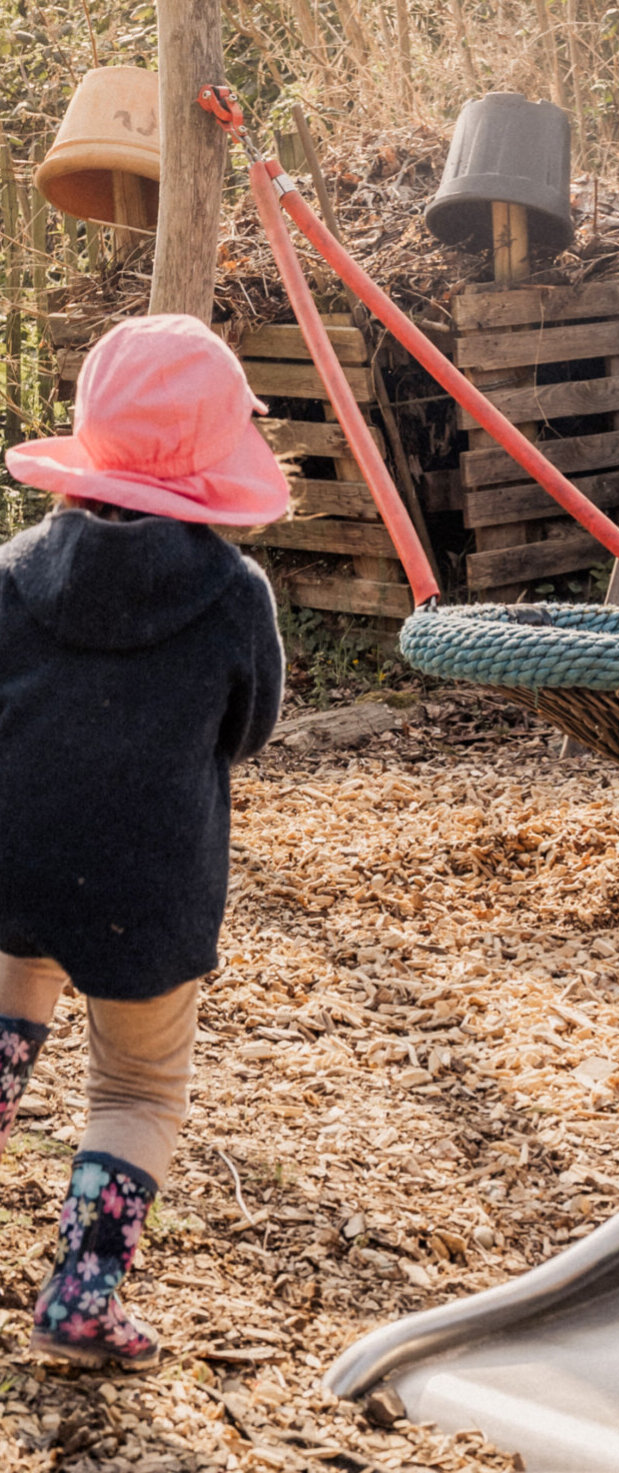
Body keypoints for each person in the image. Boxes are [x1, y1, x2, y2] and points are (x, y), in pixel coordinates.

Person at [0, 313, 288, 1370]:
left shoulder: (14, 568)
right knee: (134, 1090)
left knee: (9, 994)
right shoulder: (233, 595)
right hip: (149, 885)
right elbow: (248, 729)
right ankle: (81, 1295)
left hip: (15, 854)